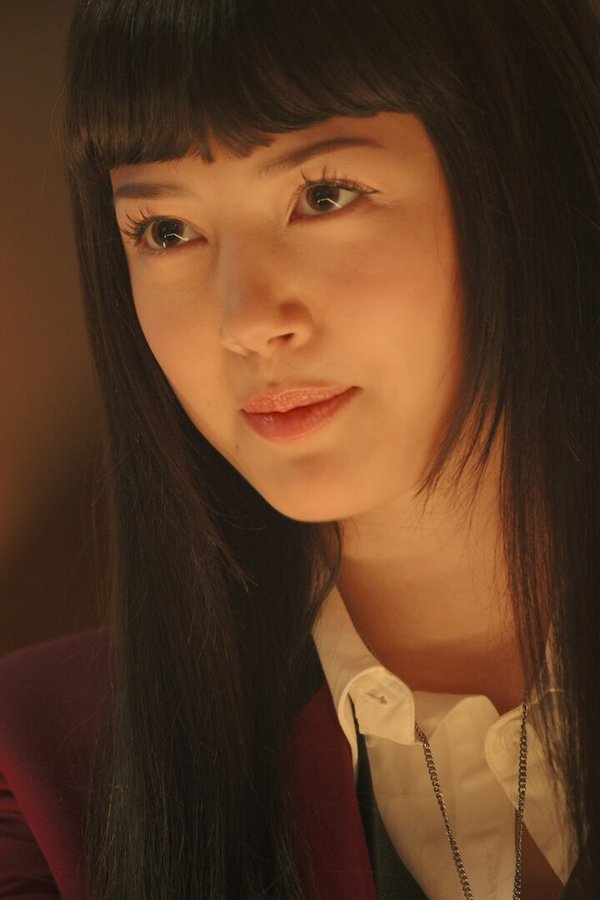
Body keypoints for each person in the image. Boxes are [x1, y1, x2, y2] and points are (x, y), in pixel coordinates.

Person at [0, 0, 598, 897]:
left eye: (323, 195)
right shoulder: (45, 772)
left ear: (525, 175)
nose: (245, 320)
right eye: (166, 230)